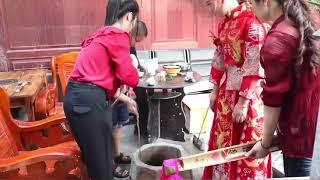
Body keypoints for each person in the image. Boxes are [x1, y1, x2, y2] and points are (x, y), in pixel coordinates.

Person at [63, 0, 139, 179]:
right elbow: (130, 76)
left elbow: (100, 78)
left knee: (102, 156)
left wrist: (127, 99)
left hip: (80, 98)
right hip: (88, 102)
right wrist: (137, 75)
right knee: (100, 164)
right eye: (134, 20)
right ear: (129, 16)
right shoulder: (118, 35)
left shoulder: (102, 34)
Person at [246, 0, 320, 177]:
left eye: (251, 2)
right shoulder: (306, 23)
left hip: (300, 135)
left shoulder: (278, 39)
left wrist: (265, 143)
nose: (250, 8)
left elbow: (273, 99)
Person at [202, 0, 272, 179]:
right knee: (222, 143)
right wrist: (215, 90)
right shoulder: (225, 22)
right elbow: (218, 58)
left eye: (210, 4)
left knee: (247, 148)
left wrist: (243, 102)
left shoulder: (252, 21)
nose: (209, 9)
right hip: (227, 94)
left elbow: (254, 64)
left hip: (248, 96)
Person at [111, 20, 148, 178]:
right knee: (110, 129)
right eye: (137, 39)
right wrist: (127, 99)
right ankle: (111, 165)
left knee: (118, 125)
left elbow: (128, 72)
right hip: (112, 95)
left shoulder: (129, 47)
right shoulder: (118, 45)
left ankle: (117, 155)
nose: (136, 43)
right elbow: (111, 83)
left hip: (121, 92)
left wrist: (128, 93)